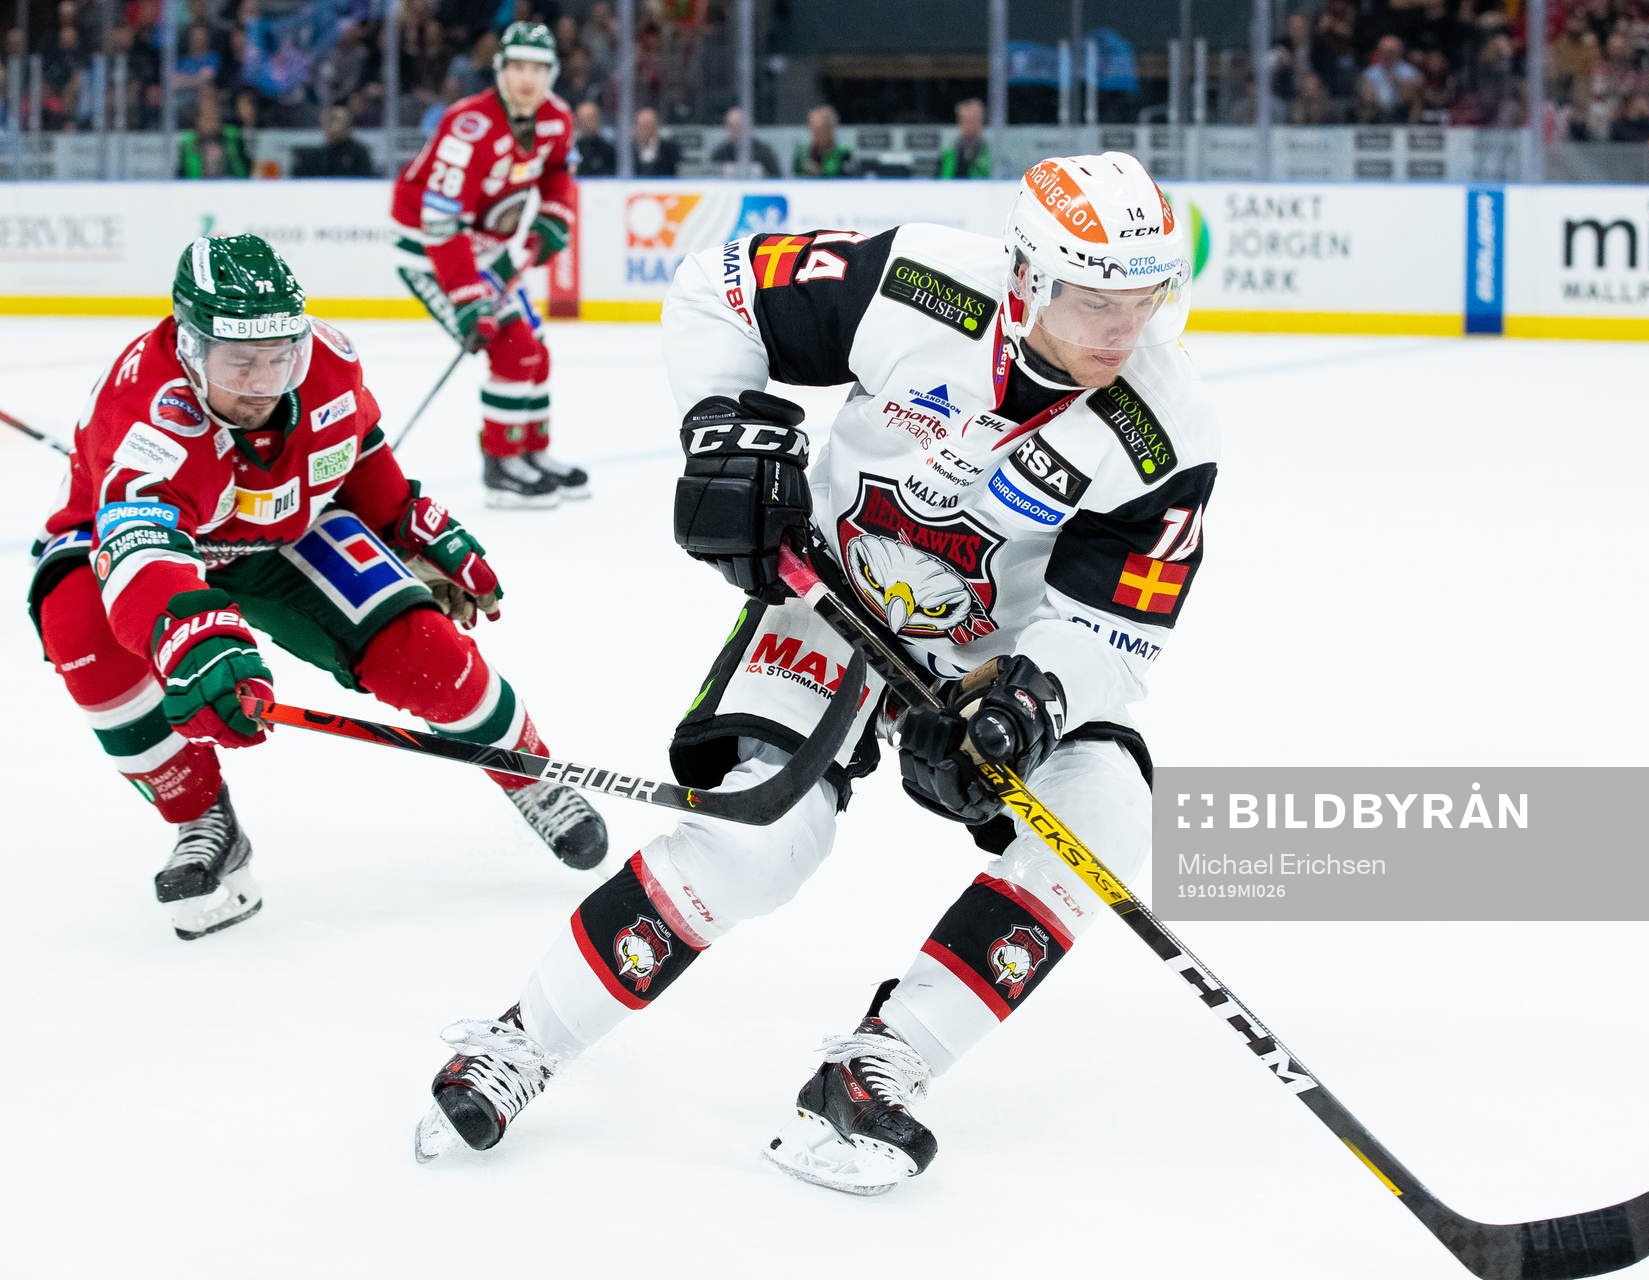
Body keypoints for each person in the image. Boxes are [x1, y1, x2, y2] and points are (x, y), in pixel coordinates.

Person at [414, 153, 1217, 1198]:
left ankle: (881, 1064)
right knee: (760, 841)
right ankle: (527, 1036)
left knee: (1105, 811)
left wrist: (1029, 700)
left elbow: (1111, 629)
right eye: (1095, 298)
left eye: (1146, 299)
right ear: (1026, 276)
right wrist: (720, 423)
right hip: (827, 589)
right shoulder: (920, 279)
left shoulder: (1165, 432)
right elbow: (720, 288)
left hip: (990, 653)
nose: (1124, 329)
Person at [27, 234, 610, 941]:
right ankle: (202, 820)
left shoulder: (329, 360)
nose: (262, 382)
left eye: (279, 357)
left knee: (419, 649)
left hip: (275, 521)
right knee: (76, 626)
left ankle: (530, 775)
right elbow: (141, 549)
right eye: (239, 361)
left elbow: (356, 450)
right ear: (188, 346)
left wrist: (406, 520)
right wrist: (190, 634)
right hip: (122, 539)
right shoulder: (148, 412)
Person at [391, 21, 590, 508]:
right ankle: (500, 467)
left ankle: (532, 453)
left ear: (553, 74)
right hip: (431, 251)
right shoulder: (469, 127)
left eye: (538, 69)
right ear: (499, 70)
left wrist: (553, 215)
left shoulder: (556, 118)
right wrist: (465, 298)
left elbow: (558, 172)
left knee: (534, 353)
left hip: (487, 249)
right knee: (511, 348)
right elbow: (440, 223)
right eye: (517, 66)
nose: (527, 79)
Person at [178, 89, 249, 178]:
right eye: (207, 119)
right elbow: (182, 175)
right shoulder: (188, 143)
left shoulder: (233, 138)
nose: (212, 123)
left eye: (215, 118)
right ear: (198, 121)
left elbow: (244, 170)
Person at [295, 104, 375, 176]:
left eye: (335, 119)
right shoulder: (313, 156)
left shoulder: (359, 153)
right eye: (328, 120)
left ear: (348, 124)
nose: (331, 125)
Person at [708, 104, 781, 177]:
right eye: (731, 126)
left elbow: (777, 178)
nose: (734, 130)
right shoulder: (720, 153)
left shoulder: (764, 153)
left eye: (738, 126)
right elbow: (710, 177)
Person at [793, 102, 853, 177]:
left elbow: (848, 180)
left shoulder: (843, 153)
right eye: (812, 129)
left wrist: (821, 174)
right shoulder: (803, 152)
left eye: (819, 130)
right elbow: (794, 179)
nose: (814, 134)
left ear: (830, 129)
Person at [937, 97, 990, 178]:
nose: (971, 125)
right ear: (960, 122)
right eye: (967, 121)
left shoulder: (992, 153)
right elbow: (941, 181)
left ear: (982, 122)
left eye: (975, 120)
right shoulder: (949, 153)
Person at [631, 105, 681, 175]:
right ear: (636, 128)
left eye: (649, 126)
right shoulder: (627, 151)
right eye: (643, 126)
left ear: (656, 127)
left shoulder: (670, 150)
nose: (646, 130)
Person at [571, 100, 616, 175]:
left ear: (598, 119)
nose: (587, 123)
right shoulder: (571, 149)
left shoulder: (609, 151)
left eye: (590, 118)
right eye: (583, 119)